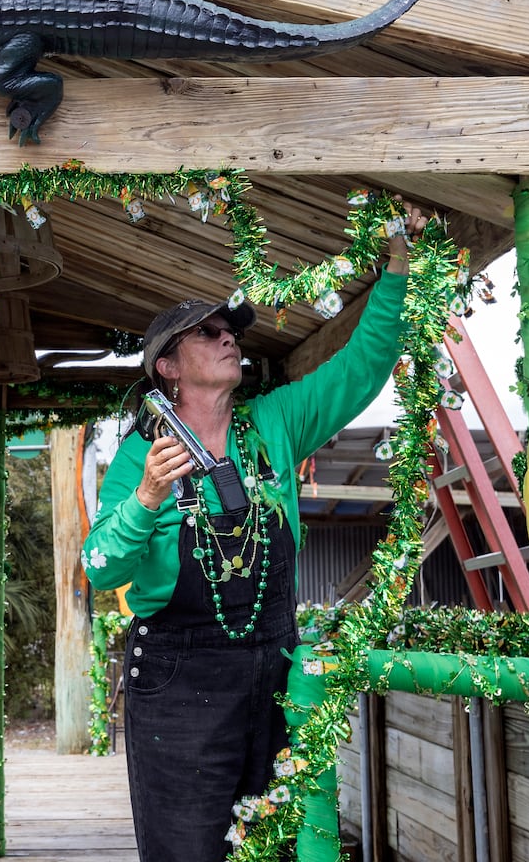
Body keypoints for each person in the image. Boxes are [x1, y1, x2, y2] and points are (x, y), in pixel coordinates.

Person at [82, 206, 427, 861]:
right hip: (178, 684)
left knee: (272, 846)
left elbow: (363, 367)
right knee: (191, 850)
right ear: (169, 369)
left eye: (229, 330)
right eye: (207, 334)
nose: (227, 338)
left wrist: (398, 273)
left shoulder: (276, 421)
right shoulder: (138, 456)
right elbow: (100, 567)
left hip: (272, 673)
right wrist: (148, 498)